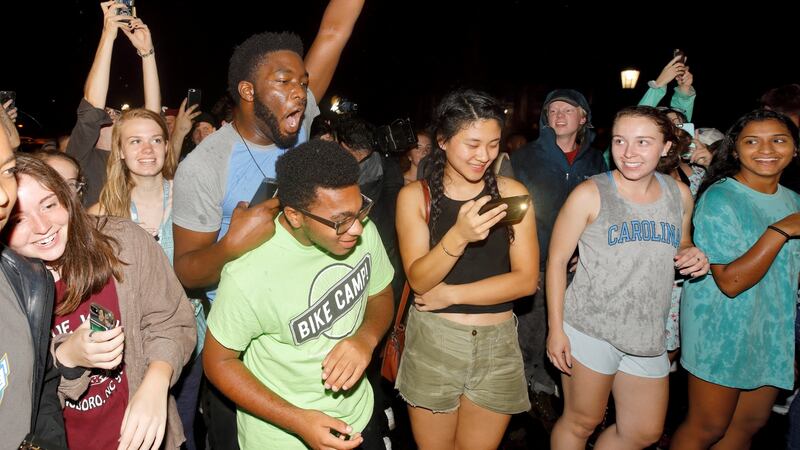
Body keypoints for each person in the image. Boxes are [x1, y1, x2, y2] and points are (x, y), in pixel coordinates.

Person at [171, 3, 364, 447]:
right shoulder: (205, 167)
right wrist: (232, 245)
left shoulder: (296, 129)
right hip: (247, 344)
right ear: (248, 90)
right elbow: (187, 270)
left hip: (315, 319)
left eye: (303, 83)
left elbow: (334, 31)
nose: (300, 93)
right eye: (283, 82)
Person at [203, 139, 394, 449]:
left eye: (360, 210)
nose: (357, 229)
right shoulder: (249, 274)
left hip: (358, 418)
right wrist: (298, 420)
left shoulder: (361, 229)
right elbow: (218, 362)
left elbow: (381, 293)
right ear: (294, 216)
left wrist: (365, 339)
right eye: (340, 221)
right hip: (283, 437)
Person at [3, 155, 195, 450]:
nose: (42, 226)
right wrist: (66, 358)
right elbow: (19, 406)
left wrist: (157, 379)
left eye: (49, 204)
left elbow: (170, 320)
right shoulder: (9, 293)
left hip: (147, 438)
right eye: (20, 219)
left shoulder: (122, 241)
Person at [546, 106, 708, 450]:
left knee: (644, 432)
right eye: (620, 141)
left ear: (666, 147)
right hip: (590, 328)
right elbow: (558, 260)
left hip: (648, 332)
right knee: (581, 422)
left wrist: (692, 253)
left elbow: (682, 243)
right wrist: (556, 329)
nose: (629, 153)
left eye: (643, 142)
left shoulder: (678, 194)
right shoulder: (590, 193)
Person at [394, 89, 538, 449]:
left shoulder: (511, 193)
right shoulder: (414, 197)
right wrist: (459, 235)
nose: (484, 156)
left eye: (492, 144)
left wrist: (452, 295)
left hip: (498, 344)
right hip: (435, 343)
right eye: (472, 144)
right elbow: (419, 279)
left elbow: (525, 281)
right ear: (442, 140)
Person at [670, 109, 800, 449]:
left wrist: (790, 343)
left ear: (795, 149)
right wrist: (781, 230)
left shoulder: (794, 201)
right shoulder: (720, 197)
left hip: (770, 329)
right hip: (721, 330)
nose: (766, 149)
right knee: (707, 428)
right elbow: (730, 281)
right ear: (735, 149)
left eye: (779, 140)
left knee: (748, 425)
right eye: (752, 141)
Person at [510, 88, 607, 423]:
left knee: (567, 333)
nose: (560, 115)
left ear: (583, 119)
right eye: (553, 110)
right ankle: (519, 403)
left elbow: (605, 210)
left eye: (569, 110)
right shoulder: (524, 159)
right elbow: (509, 215)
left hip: (579, 270)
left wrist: (586, 247)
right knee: (529, 334)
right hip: (533, 266)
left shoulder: (597, 161)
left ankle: (550, 392)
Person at [0, 116, 67, 450]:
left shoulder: (26, 281)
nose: (1, 195)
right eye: (21, 218)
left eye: (6, 170)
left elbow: (39, 393)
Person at [66, 1, 161, 207]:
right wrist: (108, 35)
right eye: (108, 113)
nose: (115, 116)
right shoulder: (82, 160)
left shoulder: (132, 159)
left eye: (118, 114)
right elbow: (92, 108)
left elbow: (152, 121)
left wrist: (147, 53)